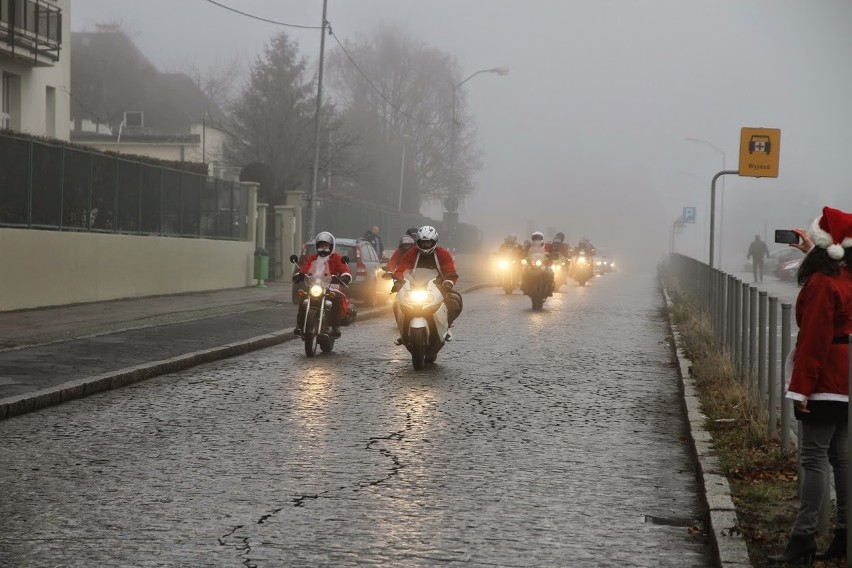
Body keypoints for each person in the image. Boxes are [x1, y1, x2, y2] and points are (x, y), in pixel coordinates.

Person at [768, 206, 852, 564]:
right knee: (841, 457)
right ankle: (845, 537)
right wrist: (810, 252)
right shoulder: (845, 276)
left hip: (826, 377)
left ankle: (803, 539)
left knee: (814, 457)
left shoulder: (822, 283)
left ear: (824, 244)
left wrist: (801, 389)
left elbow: (815, 339)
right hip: (846, 375)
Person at [392, 225, 462, 337]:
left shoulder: (442, 253)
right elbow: (402, 268)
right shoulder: (412, 252)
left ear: (434, 242)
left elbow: (450, 270)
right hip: (414, 286)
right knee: (396, 303)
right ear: (418, 242)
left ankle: (446, 327)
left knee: (454, 302)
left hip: (438, 286)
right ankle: (403, 333)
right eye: (422, 242)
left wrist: (448, 282)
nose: (425, 245)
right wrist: (398, 281)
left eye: (428, 243)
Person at [292, 231, 353, 339]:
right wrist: (300, 275)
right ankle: (300, 326)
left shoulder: (336, 257)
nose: (323, 248)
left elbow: (344, 268)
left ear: (331, 246)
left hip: (331, 286)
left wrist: (345, 276)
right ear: (317, 246)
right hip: (314, 285)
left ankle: (335, 327)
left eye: (325, 245)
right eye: (321, 245)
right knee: (303, 298)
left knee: (337, 298)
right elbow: (305, 267)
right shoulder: (312, 258)